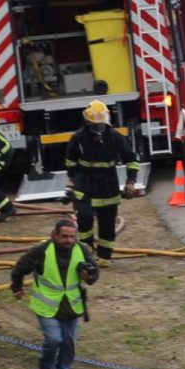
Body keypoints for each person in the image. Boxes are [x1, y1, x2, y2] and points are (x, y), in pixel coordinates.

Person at [10, 216, 99, 369]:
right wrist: (17, 288)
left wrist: (90, 277)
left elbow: (95, 273)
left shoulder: (82, 250)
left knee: (68, 343)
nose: (68, 240)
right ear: (55, 235)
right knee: (53, 339)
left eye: (72, 237)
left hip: (71, 306)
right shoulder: (41, 251)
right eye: (65, 236)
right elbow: (19, 269)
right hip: (46, 306)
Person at [66, 100, 144, 263]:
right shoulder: (78, 138)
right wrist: (71, 181)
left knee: (107, 223)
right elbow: (71, 161)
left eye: (101, 124)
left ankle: (104, 256)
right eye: (95, 125)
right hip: (85, 182)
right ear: (87, 122)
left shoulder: (114, 136)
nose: (98, 128)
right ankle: (87, 247)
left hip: (108, 184)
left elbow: (131, 159)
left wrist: (131, 181)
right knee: (85, 216)